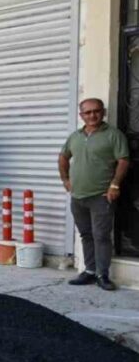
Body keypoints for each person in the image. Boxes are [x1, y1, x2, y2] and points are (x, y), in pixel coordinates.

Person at [59, 97, 130, 291]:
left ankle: (102, 275)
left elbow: (123, 160)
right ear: (81, 115)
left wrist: (114, 185)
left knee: (101, 236)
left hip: (101, 196)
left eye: (96, 111)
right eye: (88, 112)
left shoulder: (113, 135)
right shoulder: (75, 136)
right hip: (77, 196)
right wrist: (65, 179)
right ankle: (89, 271)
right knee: (86, 234)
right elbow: (63, 156)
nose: (92, 115)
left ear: (103, 112)